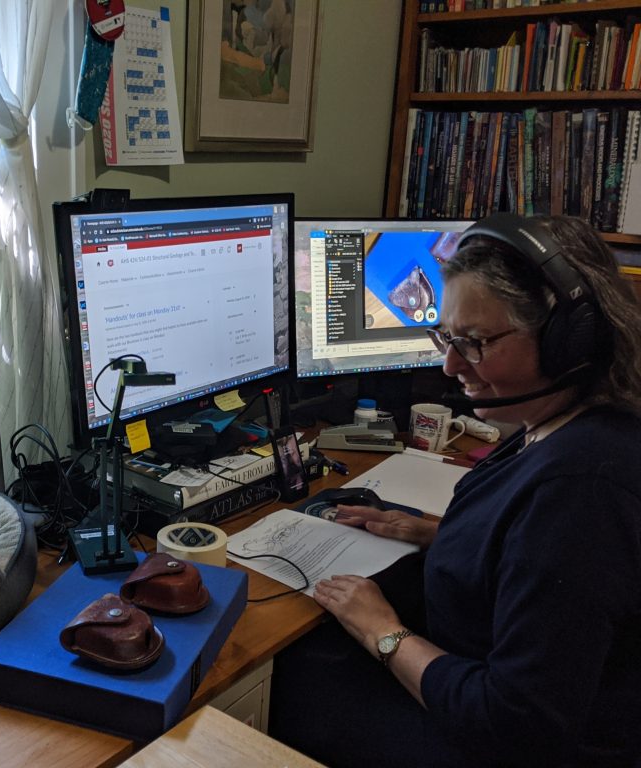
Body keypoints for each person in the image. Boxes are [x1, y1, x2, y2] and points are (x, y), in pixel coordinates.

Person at [268, 214, 641, 768]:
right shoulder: (570, 424)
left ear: (570, 340)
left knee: (286, 677)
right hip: (474, 676)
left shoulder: (582, 490)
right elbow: (541, 562)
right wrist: (435, 532)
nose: (449, 364)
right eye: (446, 337)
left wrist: (384, 633)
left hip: (497, 744)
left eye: (474, 342)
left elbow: (516, 724)